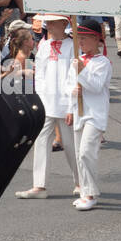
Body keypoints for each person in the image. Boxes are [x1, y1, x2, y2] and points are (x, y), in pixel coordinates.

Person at [14, 14, 78, 199]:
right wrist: (39, 99)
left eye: (52, 22)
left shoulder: (73, 46)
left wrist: (71, 105)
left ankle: (81, 182)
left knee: (70, 145)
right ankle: (39, 186)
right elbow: (39, 74)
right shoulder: (44, 45)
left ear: (64, 24)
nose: (48, 25)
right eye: (47, 22)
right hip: (46, 103)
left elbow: (74, 77)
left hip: (65, 103)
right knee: (41, 142)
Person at [65, 17, 112, 211]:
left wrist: (82, 72)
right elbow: (68, 85)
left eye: (84, 38)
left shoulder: (103, 63)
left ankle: (91, 193)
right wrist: (70, 104)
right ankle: (85, 192)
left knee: (86, 152)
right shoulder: (77, 60)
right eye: (78, 39)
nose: (81, 43)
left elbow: (96, 86)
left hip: (95, 114)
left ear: (96, 39)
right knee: (78, 154)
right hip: (79, 112)